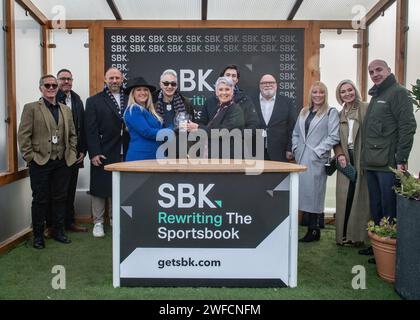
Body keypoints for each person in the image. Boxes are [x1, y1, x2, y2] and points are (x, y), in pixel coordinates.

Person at [359, 60, 417, 257]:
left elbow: (408, 126)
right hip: (372, 161)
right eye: (371, 71)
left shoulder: (398, 92)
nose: (375, 74)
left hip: (388, 164)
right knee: (375, 205)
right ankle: (377, 246)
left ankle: (388, 250)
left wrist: (401, 159)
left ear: (389, 70)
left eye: (379, 70)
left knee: (388, 206)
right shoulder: (377, 94)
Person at [18, 75, 77, 249]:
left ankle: (58, 232)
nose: (51, 87)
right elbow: (23, 136)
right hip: (40, 162)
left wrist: (71, 153)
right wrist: (31, 158)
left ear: (57, 87)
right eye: (47, 85)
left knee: (60, 198)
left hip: (62, 161)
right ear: (41, 88)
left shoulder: (66, 109)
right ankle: (38, 236)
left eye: (53, 85)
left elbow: (73, 134)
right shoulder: (31, 108)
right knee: (40, 199)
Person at [292, 81, 340, 242]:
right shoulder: (304, 111)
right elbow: (296, 133)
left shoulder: (330, 112)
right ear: (310, 95)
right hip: (301, 157)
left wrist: (318, 151)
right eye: (315, 92)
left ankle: (314, 230)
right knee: (304, 193)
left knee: (315, 194)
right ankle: (310, 227)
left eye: (321, 92)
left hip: (317, 158)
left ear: (325, 95)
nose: (318, 95)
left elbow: (333, 136)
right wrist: (295, 148)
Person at [85, 67, 130, 238]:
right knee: (99, 187)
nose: (114, 81)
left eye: (117, 78)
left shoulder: (129, 98)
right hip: (103, 150)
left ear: (122, 79)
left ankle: (114, 218)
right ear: (105, 80)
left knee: (118, 186)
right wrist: (94, 152)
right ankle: (98, 222)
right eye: (111, 78)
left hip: (125, 150)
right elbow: (90, 130)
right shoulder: (94, 101)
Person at [44, 69, 88, 236]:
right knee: (53, 192)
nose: (66, 82)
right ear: (57, 81)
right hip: (55, 155)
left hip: (73, 154)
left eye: (69, 79)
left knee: (70, 190)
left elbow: (82, 127)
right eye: (62, 79)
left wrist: (83, 150)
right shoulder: (50, 100)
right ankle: (51, 225)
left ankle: (69, 222)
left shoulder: (77, 100)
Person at [334, 80, 370, 246]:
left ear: (355, 90)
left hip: (360, 155)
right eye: (343, 92)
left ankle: (357, 236)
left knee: (360, 196)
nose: (347, 93)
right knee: (345, 197)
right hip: (345, 158)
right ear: (339, 95)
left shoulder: (365, 108)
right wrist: (339, 154)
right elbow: (335, 139)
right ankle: (343, 235)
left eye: (350, 90)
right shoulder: (339, 114)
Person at [187, 77, 245, 159]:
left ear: (232, 92)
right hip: (215, 155)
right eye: (220, 89)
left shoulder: (236, 110)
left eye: (227, 89)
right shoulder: (218, 108)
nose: (224, 93)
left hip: (229, 158)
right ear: (216, 92)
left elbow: (223, 132)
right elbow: (211, 129)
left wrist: (198, 128)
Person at [124, 77, 167, 160]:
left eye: (145, 90)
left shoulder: (151, 112)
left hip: (156, 156)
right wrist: (170, 131)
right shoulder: (133, 110)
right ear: (133, 94)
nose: (143, 92)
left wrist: (175, 128)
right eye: (139, 90)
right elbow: (147, 132)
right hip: (141, 158)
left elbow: (160, 130)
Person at [256, 74, 297, 162]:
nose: (267, 85)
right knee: (256, 176)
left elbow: (292, 127)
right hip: (255, 151)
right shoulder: (250, 101)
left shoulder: (287, 102)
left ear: (276, 85)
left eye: (271, 82)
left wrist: (289, 148)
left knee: (277, 176)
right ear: (260, 85)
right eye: (264, 83)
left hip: (280, 152)